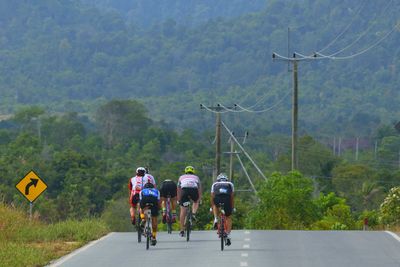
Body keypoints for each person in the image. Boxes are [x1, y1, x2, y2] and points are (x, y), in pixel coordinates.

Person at [177, 165, 202, 237]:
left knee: (183, 211)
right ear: (193, 172)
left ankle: (182, 230)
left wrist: (179, 199)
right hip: (193, 190)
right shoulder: (196, 177)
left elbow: (178, 189)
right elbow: (199, 188)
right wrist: (199, 198)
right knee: (196, 201)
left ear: (185, 172)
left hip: (184, 191)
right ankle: (193, 214)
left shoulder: (181, 177)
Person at [211, 173, 234, 246]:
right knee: (228, 217)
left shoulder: (215, 184)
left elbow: (212, 196)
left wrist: (212, 206)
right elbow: (232, 197)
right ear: (226, 179)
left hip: (217, 199)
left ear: (218, 180)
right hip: (227, 200)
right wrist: (232, 207)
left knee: (215, 205)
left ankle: (215, 218)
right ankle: (228, 234)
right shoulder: (230, 184)